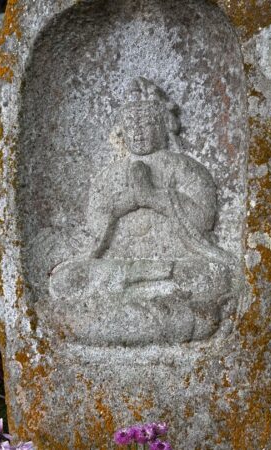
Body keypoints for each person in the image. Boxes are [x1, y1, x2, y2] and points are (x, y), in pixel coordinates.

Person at [49, 78, 233, 346]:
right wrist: (124, 204)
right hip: (119, 268)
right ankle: (150, 298)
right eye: (131, 125)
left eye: (146, 124)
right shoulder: (108, 176)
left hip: (175, 266)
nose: (138, 132)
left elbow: (203, 220)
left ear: (163, 126)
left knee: (212, 276)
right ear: (121, 130)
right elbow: (96, 223)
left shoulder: (185, 168)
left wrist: (155, 198)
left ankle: (123, 311)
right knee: (66, 281)